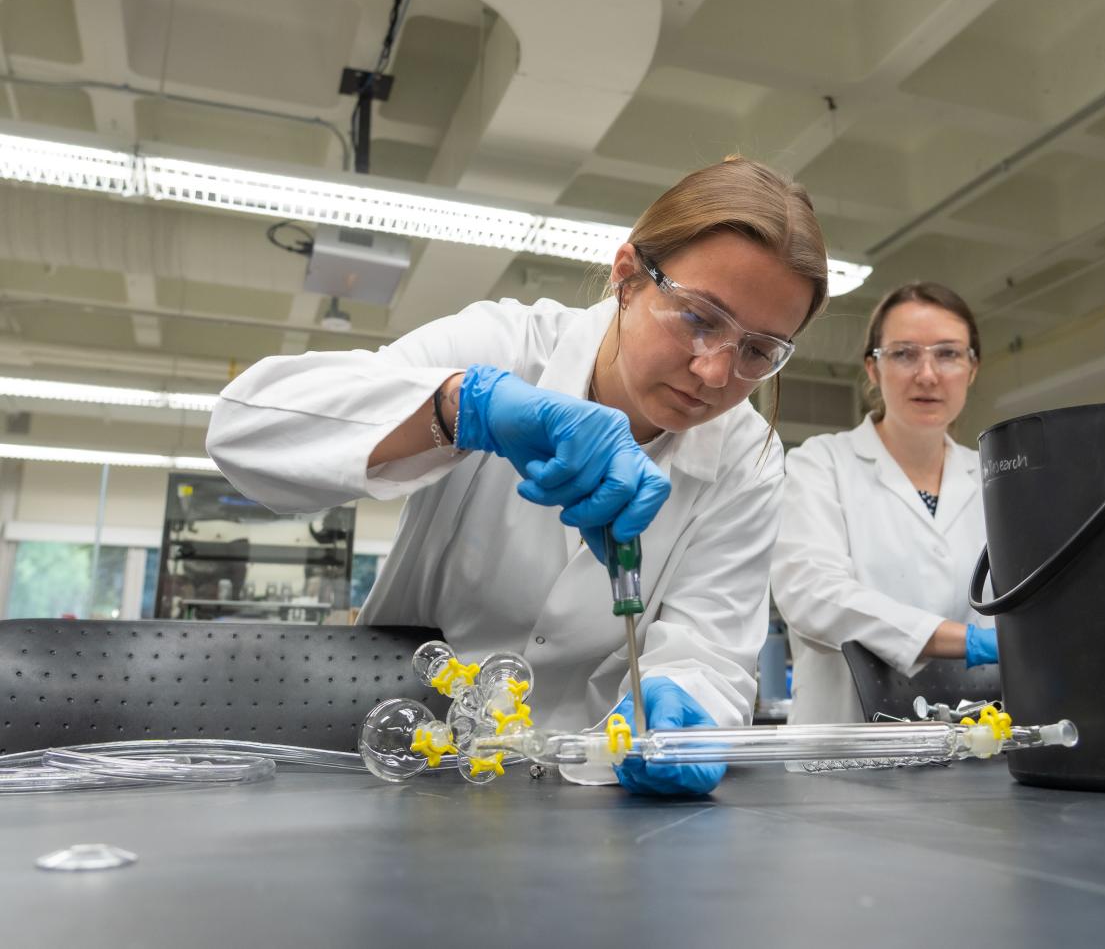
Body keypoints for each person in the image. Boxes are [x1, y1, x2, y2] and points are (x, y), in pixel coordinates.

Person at [206, 157, 829, 794]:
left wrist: (676, 702)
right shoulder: (504, 344)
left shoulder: (745, 454)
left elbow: (710, 649)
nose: (715, 373)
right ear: (628, 278)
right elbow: (242, 432)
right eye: (699, 319)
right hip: (396, 758)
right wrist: (461, 408)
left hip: (576, 788)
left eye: (757, 351)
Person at [770, 282, 995, 724]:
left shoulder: (994, 476)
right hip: (846, 750)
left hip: (978, 743)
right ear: (872, 369)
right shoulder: (821, 463)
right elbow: (811, 593)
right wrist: (965, 641)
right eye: (904, 353)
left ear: (971, 368)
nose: (927, 374)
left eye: (948, 354)